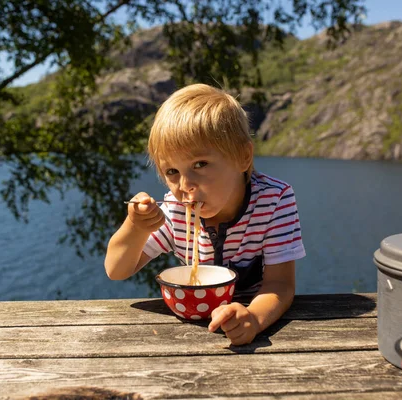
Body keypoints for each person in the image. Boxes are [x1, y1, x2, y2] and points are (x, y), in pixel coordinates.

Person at [104, 83, 306, 345]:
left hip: (248, 324)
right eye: (172, 172)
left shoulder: (274, 200)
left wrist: (253, 318)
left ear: (243, 157)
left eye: (200, 164)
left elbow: (281, 286)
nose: (185, 185)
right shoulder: (174, 212)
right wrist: (136, 226)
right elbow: (116, 270)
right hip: (190, 336)